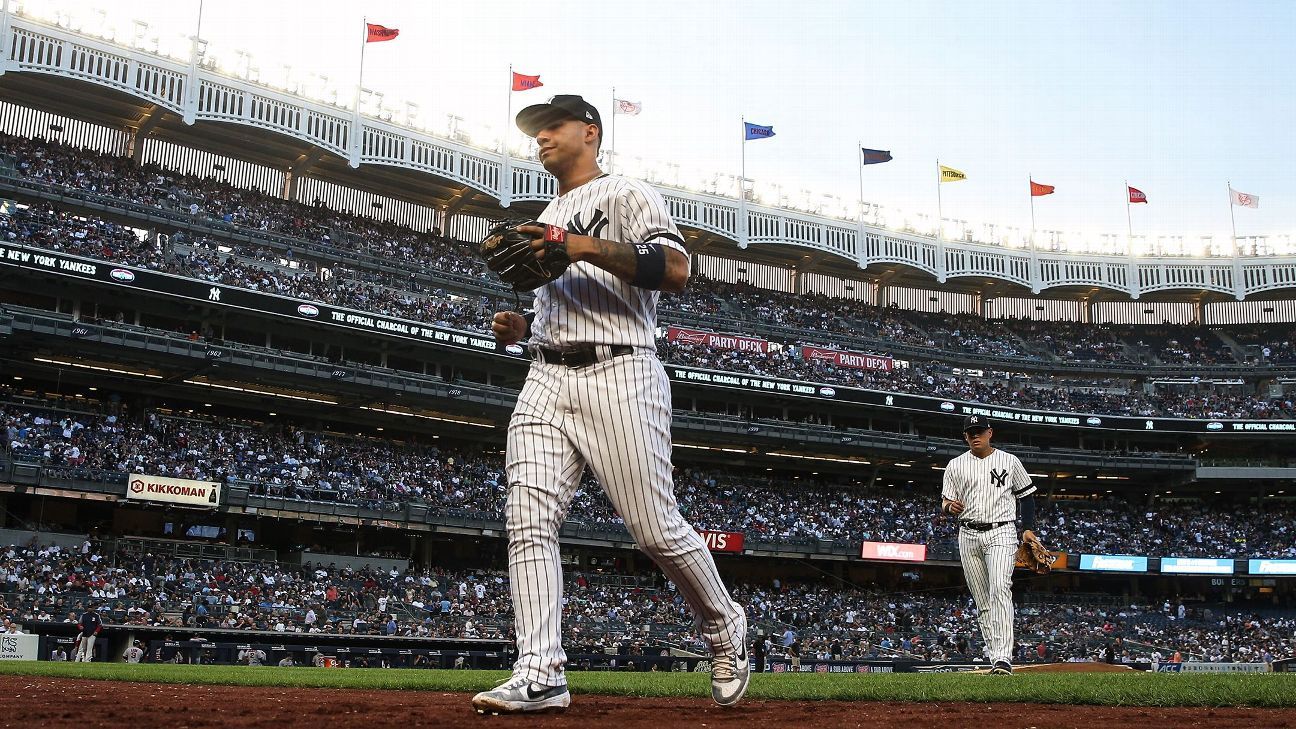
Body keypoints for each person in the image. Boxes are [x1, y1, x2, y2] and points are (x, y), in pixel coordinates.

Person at [472, 95, 748, 715]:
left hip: (621, 371)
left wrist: (580, 247)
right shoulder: (547, 212)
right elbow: (561, 296)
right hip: (545, 374)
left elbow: (675, 270)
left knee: (654, 529)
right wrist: (521, 324)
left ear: (589, 132)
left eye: (552, 126)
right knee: (528, 520)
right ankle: (540, 671)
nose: (540, 137)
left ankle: (725, 626)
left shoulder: (627, 193)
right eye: (535, 130)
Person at [940, 415, 1038, 676]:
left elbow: (1027, 496)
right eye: (970, 432)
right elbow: (945, 502)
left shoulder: (1009, 461)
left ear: (990, 433)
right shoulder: (955, 465)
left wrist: (1027, 528)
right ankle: (996, 658)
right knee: (983, 601)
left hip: (1002, 531)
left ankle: (1004, 657)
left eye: (980, 431)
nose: (975, 435)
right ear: (965, 436)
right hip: (968, 533)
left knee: (1000, 588)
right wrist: (950, 507)